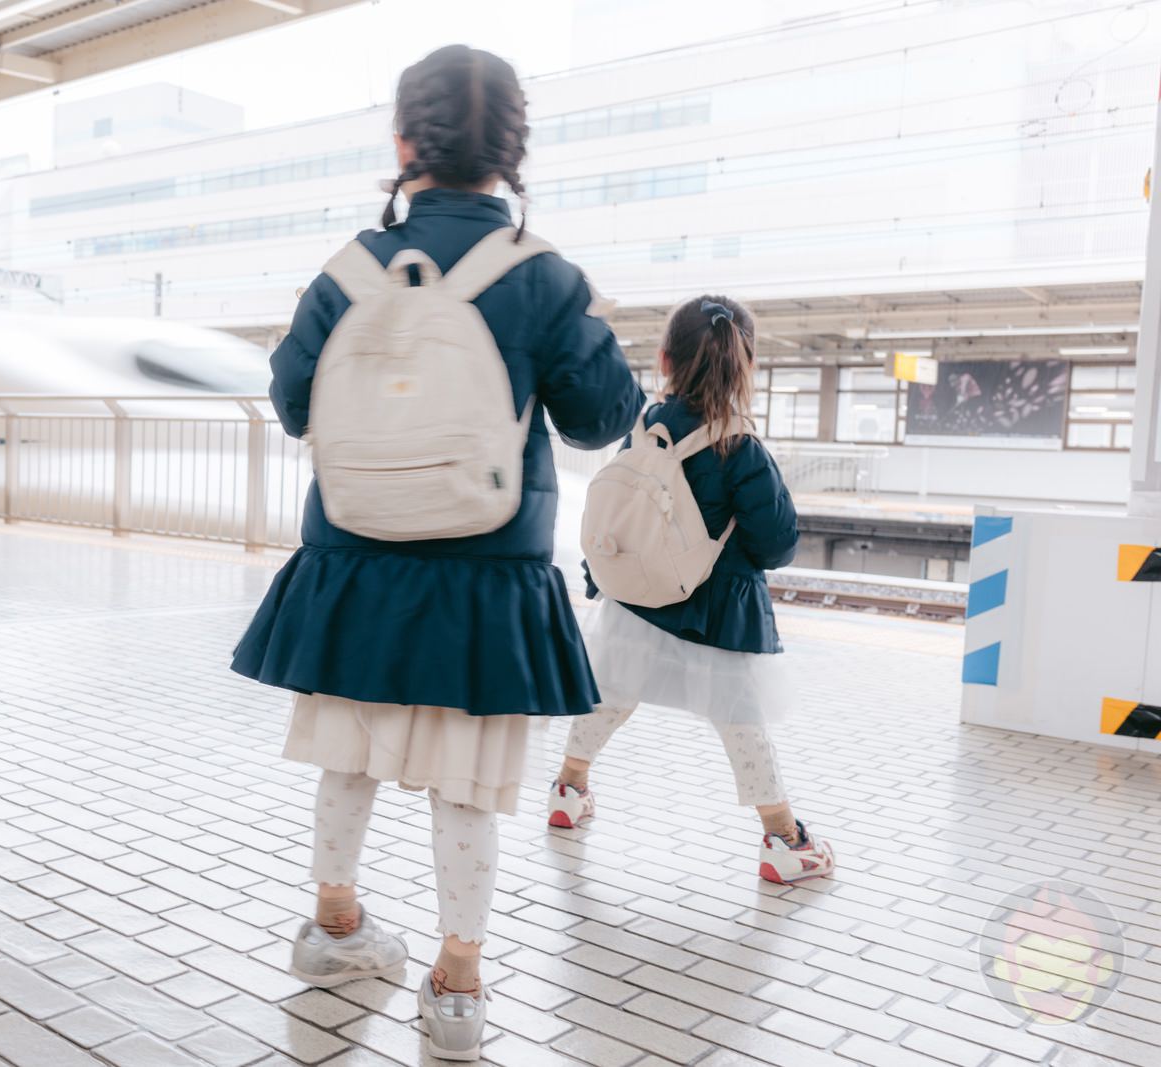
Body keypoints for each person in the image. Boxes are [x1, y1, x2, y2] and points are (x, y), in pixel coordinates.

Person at [231, 44, 641, 1061]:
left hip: (354, 558)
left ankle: (334, 927)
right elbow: (600, 419)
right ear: (511, 151)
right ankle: (458, 988)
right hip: (486, 571)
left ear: (403, 141)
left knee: (348, 755)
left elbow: (292, 403)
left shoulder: (347, 270)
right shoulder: (543, 275)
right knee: (468, 786)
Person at [547, 294, 836, 886]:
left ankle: (568, 791)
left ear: (664, 360)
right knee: (741, 724)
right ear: (745, 365)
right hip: (716, 615)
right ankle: (784, 839)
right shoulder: (740, 446)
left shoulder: (643, 430)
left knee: (611, 698)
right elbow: (776, 545)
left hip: (636, 603)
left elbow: (623, 514)